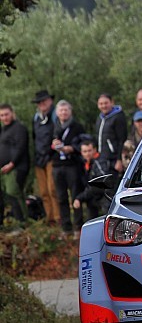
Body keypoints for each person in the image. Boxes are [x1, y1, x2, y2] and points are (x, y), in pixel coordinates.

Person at [51, 100, 85, 235]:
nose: (63, 113)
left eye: (66, 110)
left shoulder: (77, 127)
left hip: (72, 164)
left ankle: (78, 226)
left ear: (70, 112)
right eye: (61, 110)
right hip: (57, 165)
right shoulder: (53, 127)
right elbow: (45, 145)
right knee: (61, 197)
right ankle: (66, 227)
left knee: (76, 195)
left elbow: (84, 143)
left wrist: (71, 149)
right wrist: (53, 145)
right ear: (57, 113)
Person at [31, 89, 60, 225]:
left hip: (52, 157)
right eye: (39, 102)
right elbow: (34, 137)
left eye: (44, 101)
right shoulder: (36, 118)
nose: (41, 104)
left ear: (50, 101)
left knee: (53, 189)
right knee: (43, 191)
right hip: (39, 158)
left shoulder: (56, 115)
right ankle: (50, 219)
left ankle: (59, 217)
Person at [0, 103, 29, 221]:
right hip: (6, 169)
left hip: (16, 167)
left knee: (14, 193)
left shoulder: (19, 128)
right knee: (10, 195)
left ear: (12, 113)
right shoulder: (4, 130)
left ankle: (23, 222)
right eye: (1, 115)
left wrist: (12, 163)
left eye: (6, 114)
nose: (4, 117)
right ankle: (18, 221)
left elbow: (20, 147)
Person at [73, 139, 110, 219]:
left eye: (89, 151)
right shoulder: (85, 163)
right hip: (93, 197)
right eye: (85, 151)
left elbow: (101, 183)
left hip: (106, 197)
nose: (87, 154)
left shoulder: (99, 162)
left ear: (95, 150)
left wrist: (80, 198)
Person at [95, 93, 128, 174]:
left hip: (113, 158)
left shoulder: (118, 117)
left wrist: (119, 159)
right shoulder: (100, 118)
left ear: (112, 102)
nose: (103, 106)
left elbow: (122, 139)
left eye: (106, 103)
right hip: (102, 156)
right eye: (101, 104)